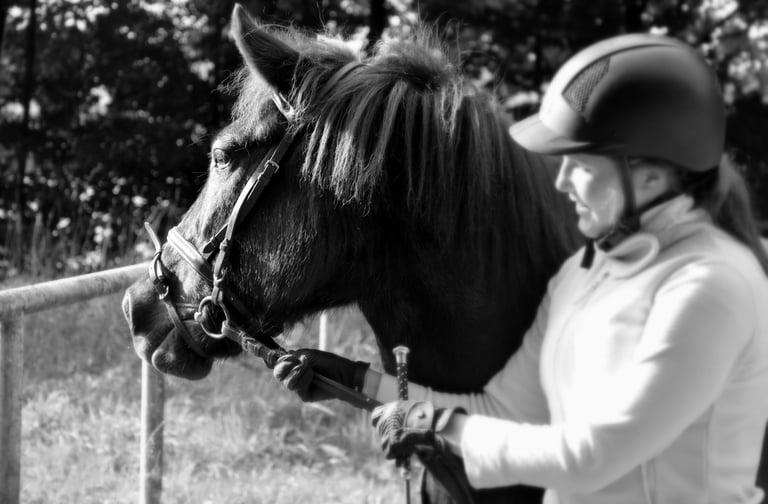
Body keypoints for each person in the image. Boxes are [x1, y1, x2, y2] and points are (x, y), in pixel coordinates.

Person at [273, 33, 768, 503]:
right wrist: (360, 383)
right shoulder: (585, 274)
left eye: (582, 165)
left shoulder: (711, 285)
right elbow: (503, 411)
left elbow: (593, 457)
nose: (563, 182)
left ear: (652, 177)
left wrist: (429, 424)